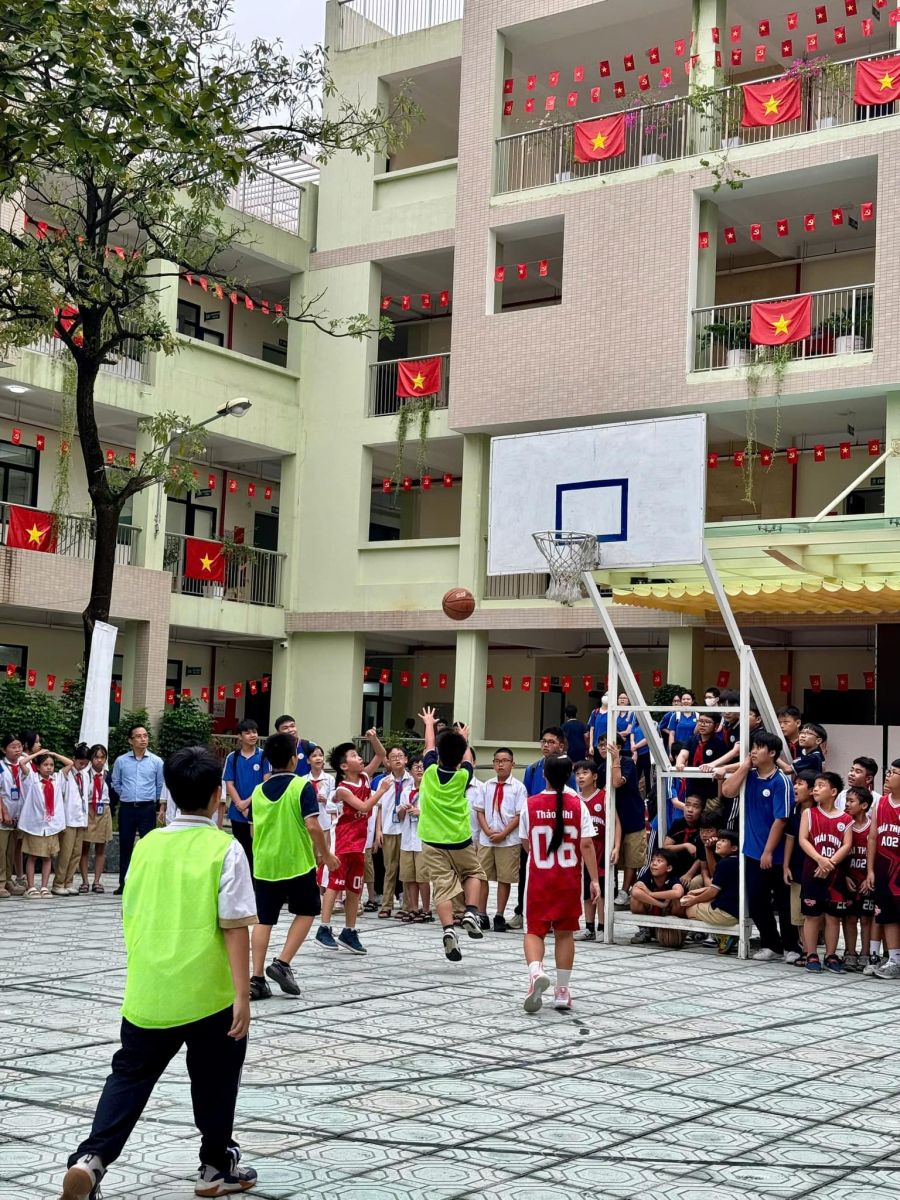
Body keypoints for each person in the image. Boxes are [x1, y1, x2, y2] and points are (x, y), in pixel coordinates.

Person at [59, 747, 258, 1200]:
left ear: (169, 791)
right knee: (215, 1080)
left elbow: (133, 907)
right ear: (217, 795)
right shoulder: (225, 848)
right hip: (209, 995)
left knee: (129, 1077)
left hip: (149, 990)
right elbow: (234, 927)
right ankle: (215, 1166)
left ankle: (91, 1160)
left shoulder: (147, 845)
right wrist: (242, 995)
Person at [248, 733, 339, 1000]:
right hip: (296, 862)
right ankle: (282, 962)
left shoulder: (257, 791)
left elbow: (253, 831)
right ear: (293, 759)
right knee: (308, 910)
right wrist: (326, 855)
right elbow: (313, 825)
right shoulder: (301, 786)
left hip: (265, 865)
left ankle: (257, 979)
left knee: (264, 920)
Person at [519, 754, 599, 1012]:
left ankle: (536, 971)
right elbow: (587, 844)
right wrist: (594, 880)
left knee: (534, 930)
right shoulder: (578, 805)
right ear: (569, 776)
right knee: (565, 933)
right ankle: (562, 991)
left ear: (544, 774)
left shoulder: (530, 804)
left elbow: (526, 843)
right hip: (569, 880)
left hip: (539, 879)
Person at [720, 731, 800, 963]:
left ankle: (792, 946)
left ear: (772, 753)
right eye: (752, 747)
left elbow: (781, 819)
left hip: (777, 854)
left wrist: (768, 851)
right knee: (756, 901)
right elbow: (727, 791)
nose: (753, 751)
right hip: (751, 852)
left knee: (784, 903)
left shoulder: (781, 781)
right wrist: (745, 765)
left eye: (759, 747)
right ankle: (771, 944)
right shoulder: (750, 775)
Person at [415, 707, 486, 963]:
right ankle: (471, 911)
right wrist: (463, 737)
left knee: (442, 885)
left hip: (431, 839)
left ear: (438, 756)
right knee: (474, 872)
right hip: (459, 838)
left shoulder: (429, 773)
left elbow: (429, 746)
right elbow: (466, 759)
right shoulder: (463, 776)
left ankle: (448, 930)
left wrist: (429, 724)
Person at [315, 730, 386, 954]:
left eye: (358, 754)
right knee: (335, 884)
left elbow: (380, 754)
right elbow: (364, 806)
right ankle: (324, 927)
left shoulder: (364, 777)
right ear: (344, 766)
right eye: (354, 755)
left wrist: (373, 739)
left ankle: (349, 930)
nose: (359, 757)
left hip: (359, 843)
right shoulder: (343, 789)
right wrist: (381, 791)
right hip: (343, 842)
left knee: (355, 888)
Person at [509, 726, 572, 929]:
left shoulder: (568, 768)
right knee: (527, 872)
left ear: (561, 745)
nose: (546, 745)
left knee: (556, 876)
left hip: (559, 827)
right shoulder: (533, 768)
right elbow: (527, 798)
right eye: (543, 741)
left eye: (551, 742)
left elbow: (572, 797)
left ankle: (556, 915)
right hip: (535, 829)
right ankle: (521, 911)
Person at [798, 771, 853, 973]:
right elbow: (803, 839)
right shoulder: (809, 814)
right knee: (812, 915)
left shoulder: (846, 818)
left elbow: (847, 844)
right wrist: (820, 859)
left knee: (833, 917)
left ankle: (831, 955)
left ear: (834, 791)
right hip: (812, 870)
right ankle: (811, 954)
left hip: (835, 874)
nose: (816, 789)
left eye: (821, 785)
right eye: (815, 786)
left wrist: (830, 863)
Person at [474, 748, 527, 932]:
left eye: (505, 761)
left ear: (512, 764)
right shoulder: (486, 786)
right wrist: (487, 830)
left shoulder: (519, 788)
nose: (501, 764)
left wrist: (503, 833)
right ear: (493, 764)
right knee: (482, 877)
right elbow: (479, 811)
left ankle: (499, 914)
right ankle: (482, 914)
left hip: (509, 840)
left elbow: (519, 815)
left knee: (505, 878)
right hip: (487, 839)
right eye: (497, 761)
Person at [110, 725, 165, 895]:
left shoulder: (156, 761)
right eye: (139, 736)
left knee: (148, 847)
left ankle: (147, 883)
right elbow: (116, 782)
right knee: (125, 846)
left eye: (145, 735)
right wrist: (126, 795)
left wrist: (156, 803)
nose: (143, 739)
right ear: (130, 740)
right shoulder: (121, 761)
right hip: (127, 808)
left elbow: (160, 785)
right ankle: (123, 884)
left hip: (147, 808)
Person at [575, 758, 619, 942]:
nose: (580, 777)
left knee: (601, 889)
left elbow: (616, 823)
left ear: (594, 776)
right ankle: (589, 927)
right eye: (577, 774)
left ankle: (602, 926)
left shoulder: (604, 797)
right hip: (581, 852)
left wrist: (616, 847)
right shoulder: (574, 799)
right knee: (586, 890)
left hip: (601, 850)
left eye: (584, 773)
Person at [17, 749, 72, 898]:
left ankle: (44, 887)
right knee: (32, 856)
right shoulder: (32, 778)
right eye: (45, 764)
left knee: (48, 857)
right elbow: (22, 763)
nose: (49, 767)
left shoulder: (57, 779)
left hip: (51, 826)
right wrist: (38, 754)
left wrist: (54, 755)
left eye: (51, 765)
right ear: (38, 767)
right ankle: (31, 886)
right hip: (35, 826)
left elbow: (70, 764)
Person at [865, 758, 900, 980]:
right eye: (888, 772)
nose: (888, 776)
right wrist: (870, 870)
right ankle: (895, 960)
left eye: (894, 772)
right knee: (887, 915)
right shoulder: (881, 803)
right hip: (883, 869)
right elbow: (872, 837)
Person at [604, 736, 647, 906]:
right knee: (613, 857)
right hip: (612, 821)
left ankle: (624, 891)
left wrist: (615, 759)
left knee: (632, 858)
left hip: (632, 818)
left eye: (607, 745)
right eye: (601, 745)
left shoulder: (627, 762)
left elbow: (616, 782)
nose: (603, 748)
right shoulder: (601, 766)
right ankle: (613, 889)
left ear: (619, 747)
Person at [222, 719, 268, 873]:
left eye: (254, 732)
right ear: (240, 736)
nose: (252, 735)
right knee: (241, 851)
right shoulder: (232, 757)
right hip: (237, 813)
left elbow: (266, 783)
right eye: (247, 733)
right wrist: (241, 806)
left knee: (258, 851)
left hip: (259, 812)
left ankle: (257, 882)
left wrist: (247, 803)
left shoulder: (264, 756)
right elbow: (229, 784)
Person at [679, 829, 740, 944]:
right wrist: (708, 849)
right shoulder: (738, 861)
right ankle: (724, 934)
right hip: (740, 911)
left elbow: (713, 892)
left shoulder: (724, 864)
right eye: (719, 840)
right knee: (694, 895)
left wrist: (694, 900)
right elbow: (717, 880)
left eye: (723, 841)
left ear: (734, 848)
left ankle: (722, 935)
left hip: (728, 914)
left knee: (689, 909)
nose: (718, 843)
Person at [782, 770, 818, 962]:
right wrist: (785, 865)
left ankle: (814, 950)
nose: (795, 787)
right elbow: (790, 839)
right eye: (795, 783)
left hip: (817, 870)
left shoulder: (820, 812)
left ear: (812, 790)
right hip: (797, 868)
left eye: (800, 784)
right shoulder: (793, 811)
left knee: (814, 913)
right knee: (798, 913)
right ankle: (805, 950)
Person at [374, 745, 412, 918]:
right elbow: (379, 808)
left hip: (406, 830)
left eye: (400, 756)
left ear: (406, 759)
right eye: (393, 756)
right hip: (389, 829)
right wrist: (378, 830)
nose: (397, 759)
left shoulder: (412, 781)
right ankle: (386, 905)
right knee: (390, 869)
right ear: (387, 761)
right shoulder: (384, 782)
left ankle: (407, 904)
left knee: (406, 869)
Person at [842, 785, 874, 973]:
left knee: (867, 919)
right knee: (849, 918)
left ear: (864, 805)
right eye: (846, 800)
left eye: (851, 801)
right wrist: (844, 876)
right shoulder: (844, 824)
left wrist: (870, 877)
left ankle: (865, 953)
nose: (847, 804)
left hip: (867, 881)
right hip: (849, 880)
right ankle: (850, 952)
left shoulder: (872, 826)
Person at [52, 743, 91, 895]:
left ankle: (69, 882)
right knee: (66, 853)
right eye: (80, 763)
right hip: (68, 820)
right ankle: (58, 883)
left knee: (76, 853)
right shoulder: (65, 774)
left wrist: (85, 820)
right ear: (73, 759)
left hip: (81, 819)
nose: (83, 766)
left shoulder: (85, 775)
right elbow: (68, 765)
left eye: (86, 764)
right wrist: (56, 755)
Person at [629, 849, 686, 947]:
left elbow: (678, 892)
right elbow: (635, 891)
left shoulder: (672, 877)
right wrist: (661, 904)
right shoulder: (648, 874)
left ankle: (675, 930)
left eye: (659, 861)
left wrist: (650, 893)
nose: (654, 863)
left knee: (679, 901)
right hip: (652, 913)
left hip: (668, 918)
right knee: (635, 899)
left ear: (669, 868)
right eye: (653, 860)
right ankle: (645, 930)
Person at [398, 756, 430, 921]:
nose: (419, 769)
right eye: (416, 766)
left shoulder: (429, 790)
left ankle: (427, 909)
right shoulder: (406, 791)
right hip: (407, 839)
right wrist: (403, 810)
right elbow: (399, 816)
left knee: (422, 877)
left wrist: (420, 813)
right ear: (410, 771)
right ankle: (413, 907)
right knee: (409, 876)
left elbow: (435, 814)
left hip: (422, 839)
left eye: (422, 766)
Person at [79, 745, 112, 894]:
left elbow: (114, 793)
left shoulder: (108, 775)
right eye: (96, 757)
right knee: (84, 846)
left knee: (100, 847)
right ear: (91, 758)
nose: (99, 760)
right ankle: (85, 881)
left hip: (103, 810)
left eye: (102, 757)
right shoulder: (84, 774)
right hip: (88, 809)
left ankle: (97, 881)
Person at [675, 713, 727, 805]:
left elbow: (721, 769)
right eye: (700, 721)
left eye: (707, 722)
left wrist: (719, 797)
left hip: (710, 789)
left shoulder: (719, 744)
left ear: (716, 726)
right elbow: (683, 754)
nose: (702, 724)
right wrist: (679, 763)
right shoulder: (692, 740)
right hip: (692, 785)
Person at [0, 733, 26, 897]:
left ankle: (8, 880)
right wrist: (4, 811)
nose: (17, 750)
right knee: (1, 850)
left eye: (19, 746)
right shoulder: (1, 767)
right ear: (4, 750)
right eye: (13, 747)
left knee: (11, 850)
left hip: (18, 815)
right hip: (4, 815)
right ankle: (1, 882)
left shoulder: (24, 766)